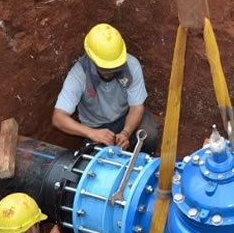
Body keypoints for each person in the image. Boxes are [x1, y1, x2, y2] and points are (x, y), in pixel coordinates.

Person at [53, 23, 159, 153]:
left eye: (114, 68)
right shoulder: (78, 75)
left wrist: (125, 133)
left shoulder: (131, 65)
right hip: (96, 127)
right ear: (92, 59)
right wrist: (92, 133)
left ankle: (142, 164)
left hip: (125, 116)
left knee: (150, 134)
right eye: (104, 69)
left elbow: (136, 107)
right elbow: (58, 118)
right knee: (96, 163)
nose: (110, 73)